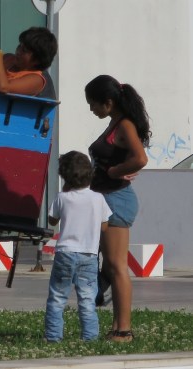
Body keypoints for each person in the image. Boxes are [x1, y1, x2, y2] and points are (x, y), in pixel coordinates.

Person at [85, 75, 151, 343]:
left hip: (116, 200)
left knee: (116, 266)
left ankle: (123, 330)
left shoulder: (124, 125)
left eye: (93, 104)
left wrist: (116, 170)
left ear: (108, 102)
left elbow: (140, 158)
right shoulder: (115, 123)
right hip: (106, 199)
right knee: (110, 267)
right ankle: (115, 326)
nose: (91, 109)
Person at [44, 151, 112, 343]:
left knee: (57, 297)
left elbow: (52, 219)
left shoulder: (62, 197)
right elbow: (105, 226)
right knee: (87, 299)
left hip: (65, 253)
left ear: (65, 177)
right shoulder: (98, 199)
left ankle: (53, 337)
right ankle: (90, 337)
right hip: (88, 255)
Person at [0, 26, 58, 122]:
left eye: (24, 51)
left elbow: (3, 88)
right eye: (19, 46)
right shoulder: (7, 59)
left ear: (37, 60)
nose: (18, 51)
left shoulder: (37, 79)